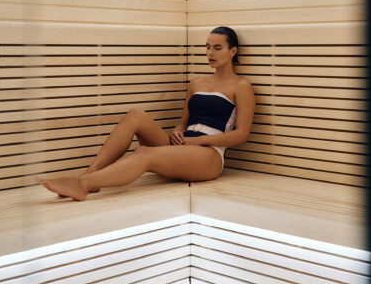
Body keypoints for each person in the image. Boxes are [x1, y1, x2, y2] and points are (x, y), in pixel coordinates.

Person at [36, 26, 255, 201]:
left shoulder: (241, 86)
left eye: (217, 48)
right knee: (135, 115)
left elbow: (241, 134)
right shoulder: (196, 83)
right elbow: (183, 122)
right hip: (183, 147)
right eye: (207, 47)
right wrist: (178, 131)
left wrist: (199, 142)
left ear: (232, 51)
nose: (210, 53)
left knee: (143, 153)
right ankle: (89, 175)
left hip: (209, 155)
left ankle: (83, 185)